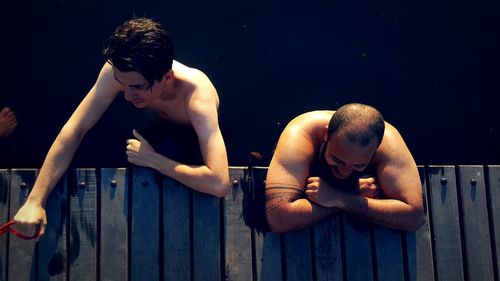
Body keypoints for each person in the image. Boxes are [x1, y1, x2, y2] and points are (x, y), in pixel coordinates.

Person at [13, 17, 230, 237]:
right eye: (121, 84)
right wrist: (35, 200)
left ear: (167, 77)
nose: (126, 95)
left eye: (137, 87)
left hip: (192, 139)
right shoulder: (118, 71)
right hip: (155, 127)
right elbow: (74, 129)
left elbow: (219, 183)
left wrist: (154, 160)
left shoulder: (197, 99)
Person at [265, 103, 423, 233]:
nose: (344, 171)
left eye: (359, 165)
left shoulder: (389, 144)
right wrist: (354, 193)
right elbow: (279, 218)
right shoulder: (300, 134)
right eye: (337, 160)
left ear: (377, 149)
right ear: (327, 134)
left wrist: (339, 198)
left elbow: (414, 217)